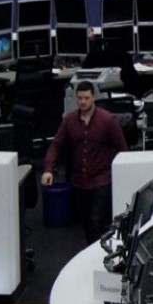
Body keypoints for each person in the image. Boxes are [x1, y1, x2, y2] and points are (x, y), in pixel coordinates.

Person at [42, 81, 128, 243]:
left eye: (86, 98)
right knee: (86, 223)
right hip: (79, 182)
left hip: (102, 179)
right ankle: (94, 252)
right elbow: (56, 144)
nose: (83, 102)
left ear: (94, 97)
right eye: (80, 98)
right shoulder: (70, 120)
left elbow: (122, 148)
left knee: (95, 221)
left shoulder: (107, 120)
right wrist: (48, 168)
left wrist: (121, 176)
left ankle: (97, 257)